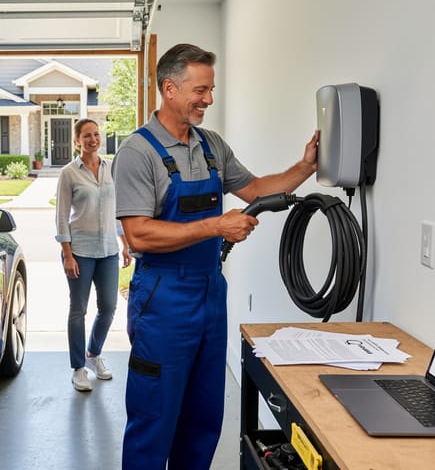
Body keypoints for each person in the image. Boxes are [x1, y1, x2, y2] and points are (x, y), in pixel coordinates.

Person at [112, 43, 319, 469]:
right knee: (155, 418)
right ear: (170, 89)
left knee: (204, 416)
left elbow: (256, 188)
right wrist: (215, 226)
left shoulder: (211, 146)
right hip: (163, 296)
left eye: (210, 90)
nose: (208, 99)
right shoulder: (139, 152)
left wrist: (305, 167)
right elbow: (138, 234)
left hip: (209, 291)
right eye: (200, 90)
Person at [55, 118, 132, 392]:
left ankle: (93, 353)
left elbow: (119, 209)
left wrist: (124, 243)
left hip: (109, 250)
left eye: (96, 134)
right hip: (80, 251)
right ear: (77, 141)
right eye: (86, 135)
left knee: (109, 307)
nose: (93, 139)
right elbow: (62, 216)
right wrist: (67, 254)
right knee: (78, 310)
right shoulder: (69, 173)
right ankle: (78, 368)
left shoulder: (111, 169)